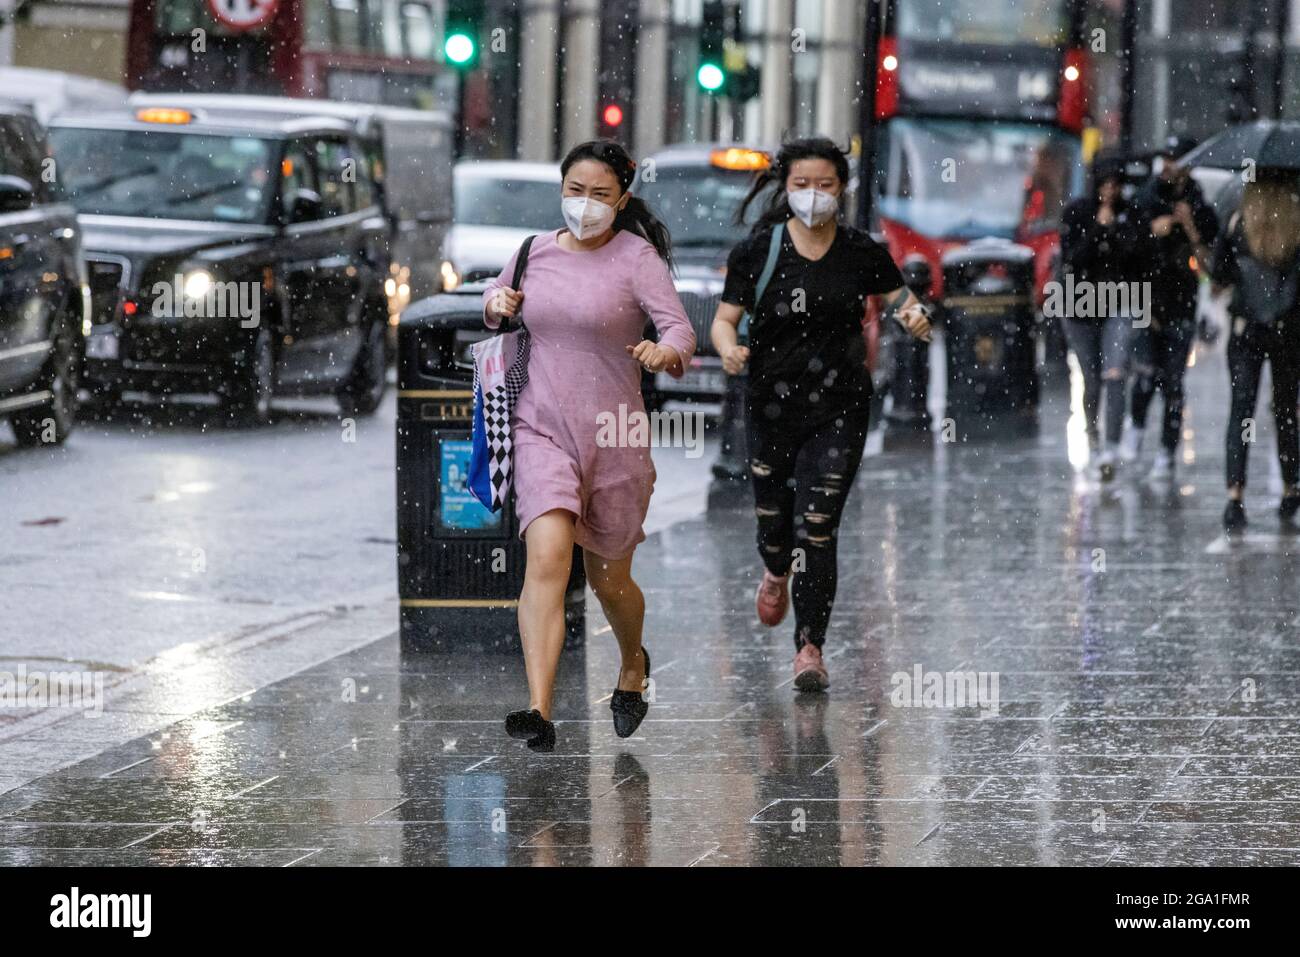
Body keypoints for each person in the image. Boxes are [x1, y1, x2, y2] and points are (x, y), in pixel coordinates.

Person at [483, 140, 696, 751]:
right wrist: (495, 302)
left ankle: (633, 661)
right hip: (540, 427)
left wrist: (667, 351)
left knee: (610, 582)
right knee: (547, 557)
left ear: (622, 198)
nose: (585, 204)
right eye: (575, 190)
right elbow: (496, 304)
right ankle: (539, 709)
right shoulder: (533, 251)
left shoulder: (637, 258)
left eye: (600, 194)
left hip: (616, 436)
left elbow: (679, 328)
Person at [710, 137, 931, 692]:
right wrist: (727, 348)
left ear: (842, 189)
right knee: (776, 525)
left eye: (826, 185)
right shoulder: (757, 252)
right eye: (802, 185)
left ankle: (810, 646)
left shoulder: (861, 251)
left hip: (841, 406)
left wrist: (915, 317)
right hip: (770, 405)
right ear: (786, 188)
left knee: (820, 526)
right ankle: (774, 568)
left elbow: (901, 298)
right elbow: (724, 318)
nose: (814, 196)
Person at [1123, 136, 1219, 479]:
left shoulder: (1197, 204)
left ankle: (1167, 450)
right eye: (1165, 158)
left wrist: (1188, 225)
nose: (1168, 165)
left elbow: (1210, 255)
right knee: (1145, 374)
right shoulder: (1146, 198)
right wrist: (1152, 232)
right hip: (1147, 301)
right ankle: (1134, 430)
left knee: (1174, 383)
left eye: (1175, 159)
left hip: (1181, 304)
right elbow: (1128, 248)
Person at [1209, 170, 1300, 532]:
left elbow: (1220, 274)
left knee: (1242, 411)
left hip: (1247, 329)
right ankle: (1291, 486)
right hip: (1289, 328)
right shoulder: (1296, 224)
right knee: (1286, 409)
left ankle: (1235, 494)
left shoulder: (1238, 222)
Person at [1059, 158, 1149, 481]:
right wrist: (1098, 230)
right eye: (1105, 184)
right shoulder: (1077, 213)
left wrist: (1117, 231)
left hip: (1119, 305)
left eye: (1115, 184)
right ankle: (1093, 436)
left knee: (1115, 374)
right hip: (1080, 307)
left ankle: (1111, 447)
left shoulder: (1132, 214)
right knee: (1092, 378)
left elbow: (1139, 257)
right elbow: (1072, 258)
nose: (1110, 191)